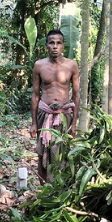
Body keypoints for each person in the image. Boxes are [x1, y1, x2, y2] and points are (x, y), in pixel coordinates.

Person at [30, 29, 80, 183]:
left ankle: (59, 187)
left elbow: (76, 95)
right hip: (44, 113)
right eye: (51, 43)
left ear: (63, 46)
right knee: (42, 151)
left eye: (58, 43)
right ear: (46, 46)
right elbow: (35, 95)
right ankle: (43, 189)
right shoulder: (39, 65)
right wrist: (33, 123)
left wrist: (74, 124)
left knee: (62, 152)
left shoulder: (72, 66)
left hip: (64, 115)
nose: (55, 46)